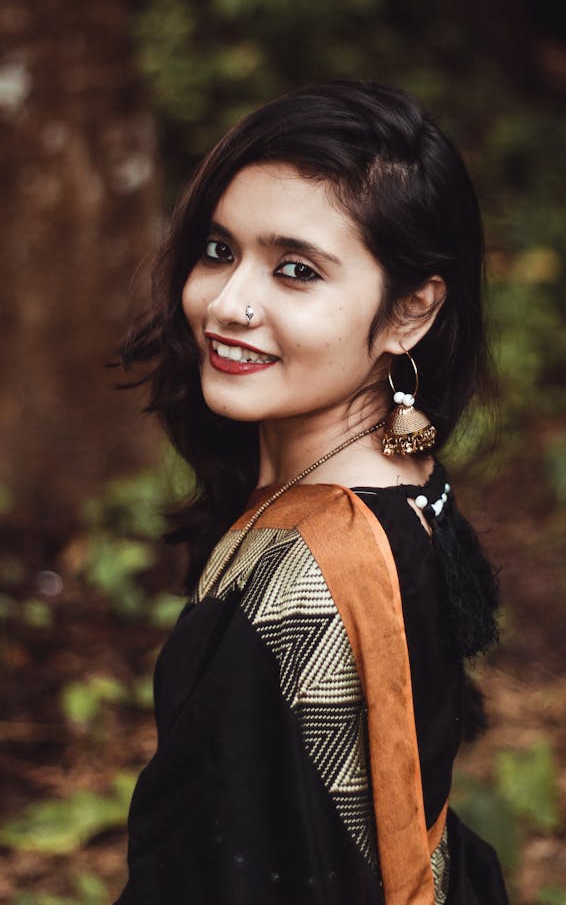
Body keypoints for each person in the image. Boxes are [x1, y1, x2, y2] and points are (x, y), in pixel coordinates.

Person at [115, 81, 509, 904]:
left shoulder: (298, 586)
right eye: (219, 250)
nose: (227, 303)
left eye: (296, 270)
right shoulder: (406, 464)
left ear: (409, 311)